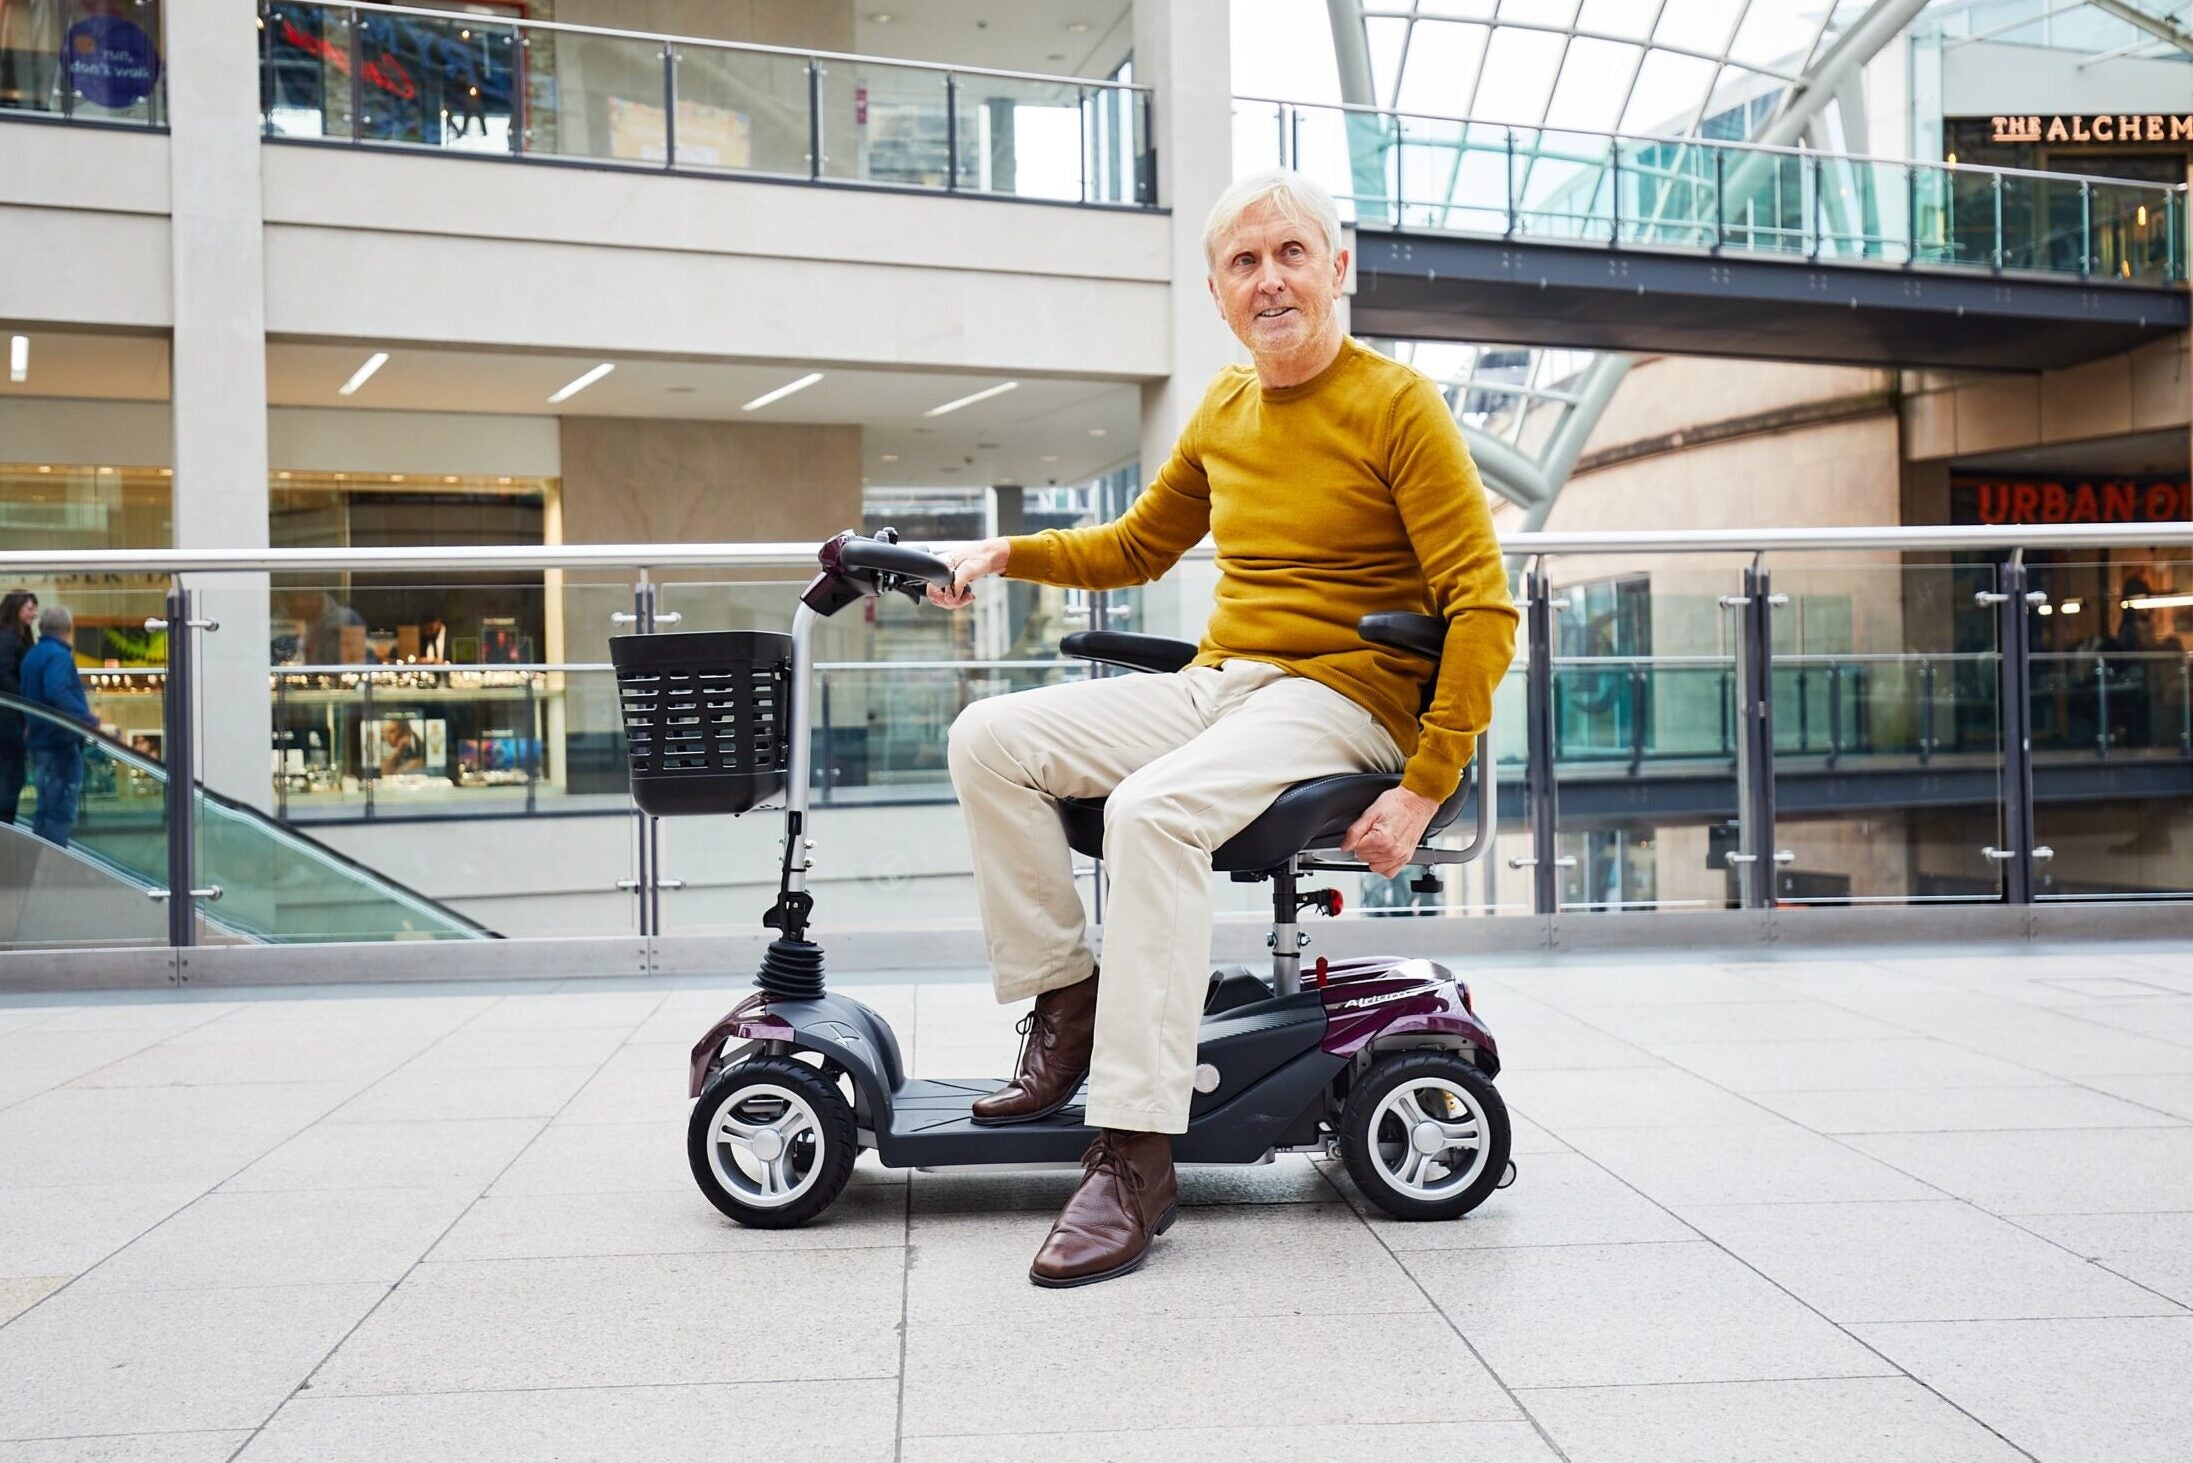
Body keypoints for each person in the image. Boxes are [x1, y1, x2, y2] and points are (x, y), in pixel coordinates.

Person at [929, 168, 1517, 1287]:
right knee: (989, 738)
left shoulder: (1400, 406)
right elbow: (1133, 548)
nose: (1270, 279)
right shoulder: (1226, 407)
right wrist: (1008, 553)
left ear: (1338, 269)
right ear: (1218, 292)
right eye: (1244, 263)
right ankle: (1071, 999)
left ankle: (1136, 1152)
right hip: (1224, 680)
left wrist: (1429, 780)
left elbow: (1484, 605)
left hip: (1345, 694)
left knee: (1153, 812)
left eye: (1291, 253)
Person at [20, 603, 98, 847]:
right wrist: (86, 720)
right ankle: (52, 868)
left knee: (45, 807)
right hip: (60, 741)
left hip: (39, 740)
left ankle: (39, 868)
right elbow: (57, 691)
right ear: (68, 628)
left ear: (42, 627)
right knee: (59, 809)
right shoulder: (58, 656)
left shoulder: (32, 655)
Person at [0, 590, 37, 827]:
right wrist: (24, 701)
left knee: (13, 773)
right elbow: (3, 673)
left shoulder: (17, 637)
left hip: (12, 715)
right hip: (9, 717)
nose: (34, 613)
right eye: (29, 608)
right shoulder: (9, 638)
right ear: (16, 609)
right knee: (11, 773)